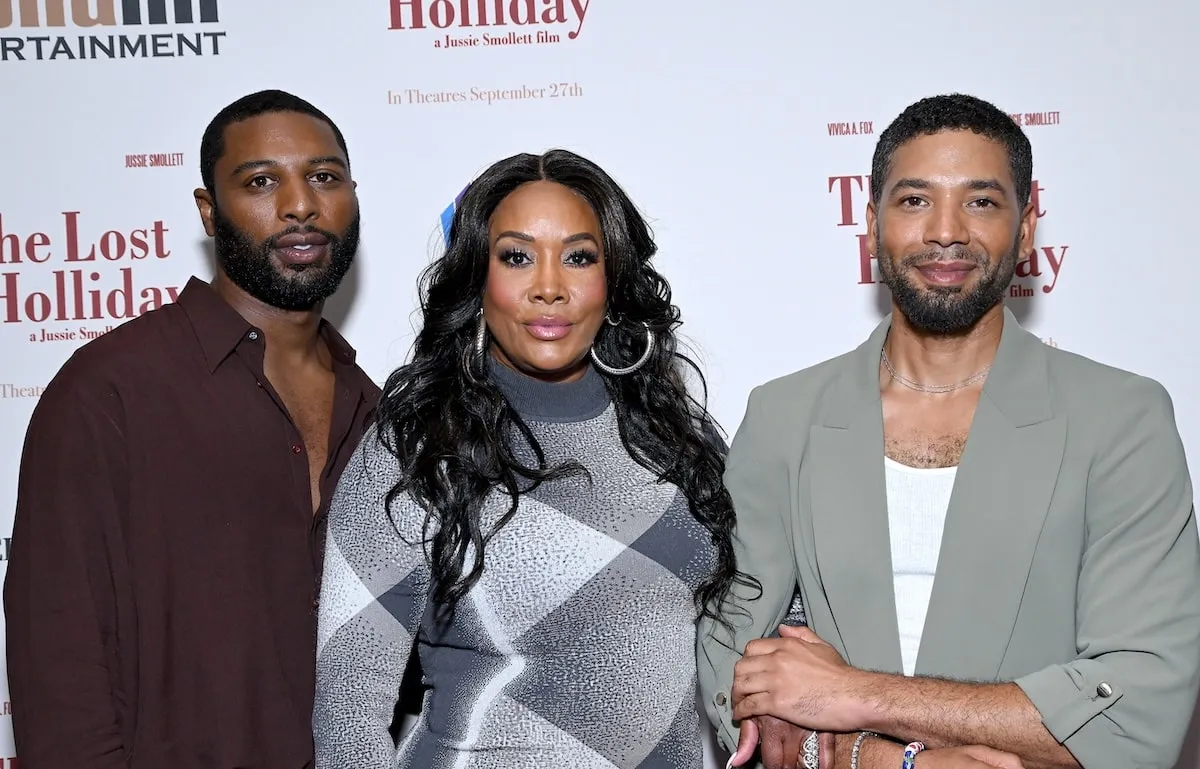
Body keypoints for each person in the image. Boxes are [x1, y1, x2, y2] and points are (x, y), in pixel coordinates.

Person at [698, 93, 1200, 769]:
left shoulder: (1122, 419)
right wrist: (888, 762)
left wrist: (858, 694)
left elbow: (1139, 710)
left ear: (1026, 232)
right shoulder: (786, 417)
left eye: (982, 201)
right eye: (914, 200)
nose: (946, 231)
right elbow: (737, 674)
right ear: (871, 225)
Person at [312, 148, 753, 768]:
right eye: (516, 256)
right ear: (477, 279)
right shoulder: (413, 446)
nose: (550, 288)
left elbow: (760, 598)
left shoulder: (678, 435)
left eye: (579, 257)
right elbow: (348, 714)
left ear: (613, 278)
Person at [4, 89, 380, 768]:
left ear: (353, 196)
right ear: (210, 211)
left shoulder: (377, 410)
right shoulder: (109, 392)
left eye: (323, 177)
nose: (300, 204)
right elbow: (59, 667)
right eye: (262, 182)